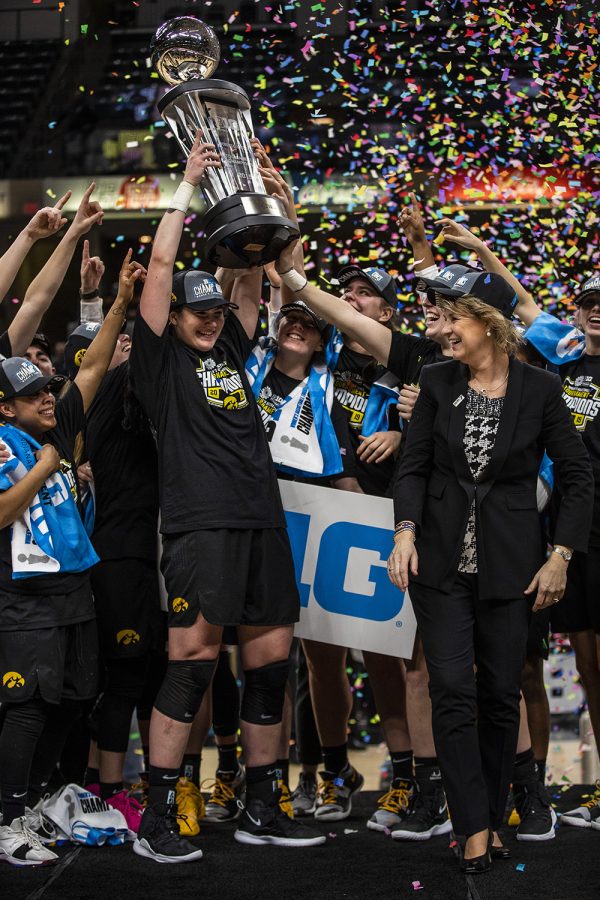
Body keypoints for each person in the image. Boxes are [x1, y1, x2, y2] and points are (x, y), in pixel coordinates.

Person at [129, 132, 325, 863]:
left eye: (214, 311)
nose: (211, 318)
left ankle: (262, 805)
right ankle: (157, 813)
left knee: (271, 663)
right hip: (199, 527)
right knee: (193, 661)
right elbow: (157, 266)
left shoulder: (236, 352)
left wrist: (269, 197)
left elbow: (252, 272)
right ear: (175, 318)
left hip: (260, 522)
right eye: (196, 311)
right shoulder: (158, 363)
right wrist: (185, 186)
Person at [386, 265, 593, 873]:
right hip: (440, 569)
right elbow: (414, 468)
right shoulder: (434, 379)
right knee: (452, 689)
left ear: (491, 324)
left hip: (514, 570)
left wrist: (561, 556)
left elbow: (577, 478)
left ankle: (495, 810)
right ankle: (473, 826)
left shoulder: (542, 389)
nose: (441, 330)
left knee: (502, 696)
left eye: (454, 319)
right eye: (439, 318)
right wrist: (405, 531)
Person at [0, 249, 143, 867]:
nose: (48, 399)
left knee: (69, 703)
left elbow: (89, 373)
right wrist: (43, 469)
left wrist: (117, 304)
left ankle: (32, 805)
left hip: (74, 589)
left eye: (46, 392)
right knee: (27, 710)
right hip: (23, 599)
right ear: (7, 407)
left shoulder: (53, 428)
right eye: (34, 396)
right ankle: (6, 821)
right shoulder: (11, 443)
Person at [505, 270, 600, 828]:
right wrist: (478, 250)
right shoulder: (563, 356)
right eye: (587, 302)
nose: (595, 310)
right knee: (587, 665)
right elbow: (519, 305)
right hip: (569, 535)